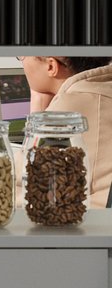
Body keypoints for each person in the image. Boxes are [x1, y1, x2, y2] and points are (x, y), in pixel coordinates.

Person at [19, 53, 112, 209]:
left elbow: (20, 184)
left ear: (51, 66)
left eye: (22, 57)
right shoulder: (101, 89)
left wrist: (39, 107)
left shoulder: (71, 107)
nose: (22, 64)